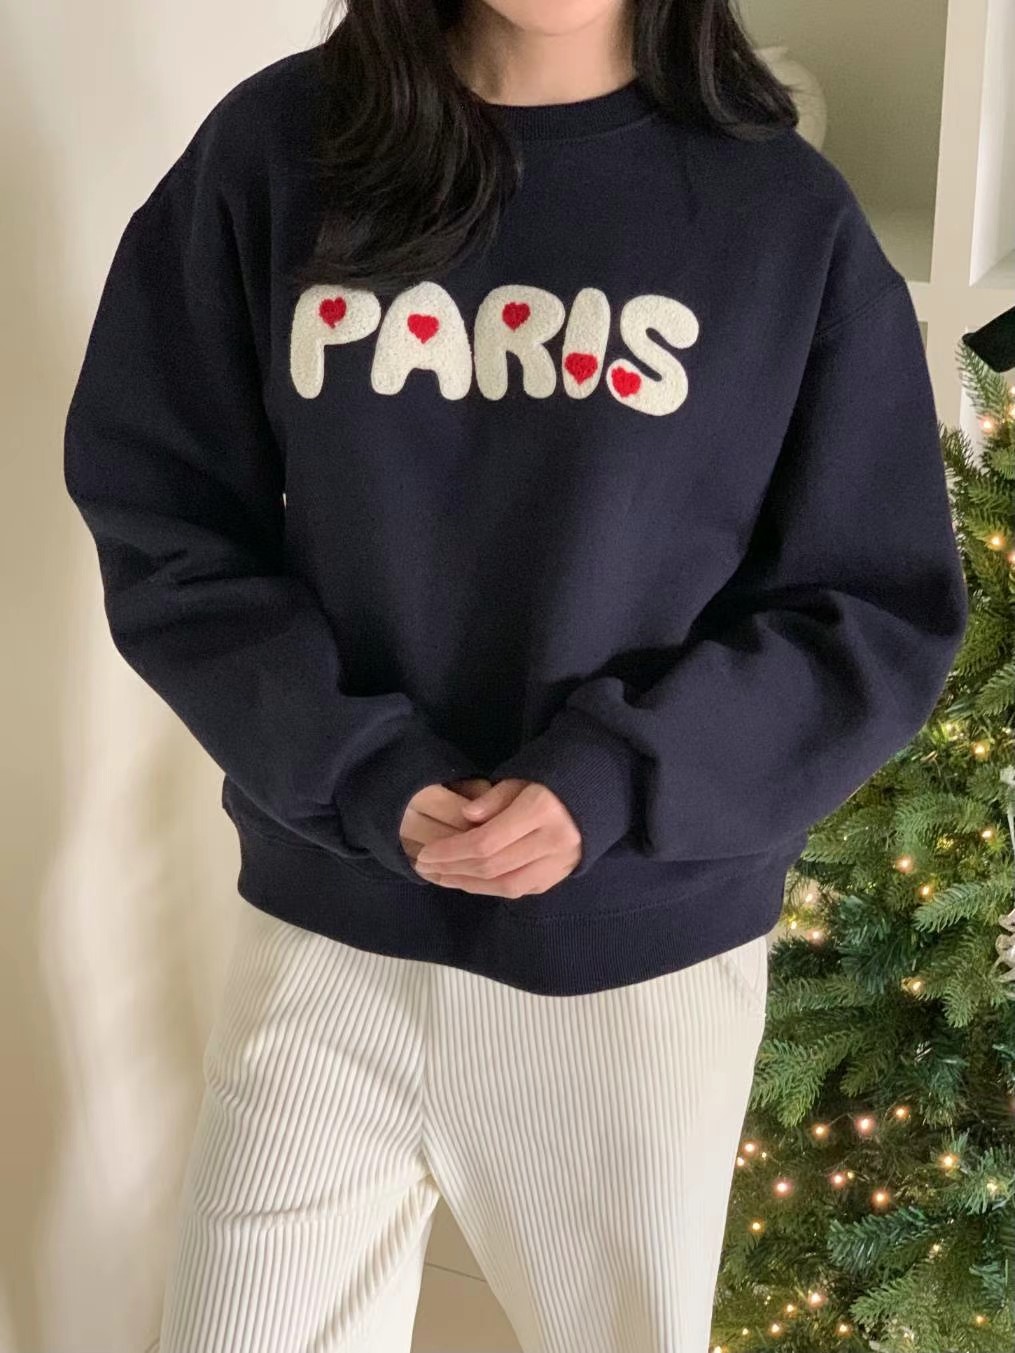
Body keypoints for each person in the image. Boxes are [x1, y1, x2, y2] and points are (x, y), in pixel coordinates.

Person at [62, 1, 969, 1349]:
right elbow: (167, 519)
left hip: (636, 969)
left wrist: (614, 780)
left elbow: (871, 610)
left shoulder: (782, 217)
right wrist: (361, 766)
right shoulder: (277, 151)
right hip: (328, 936)